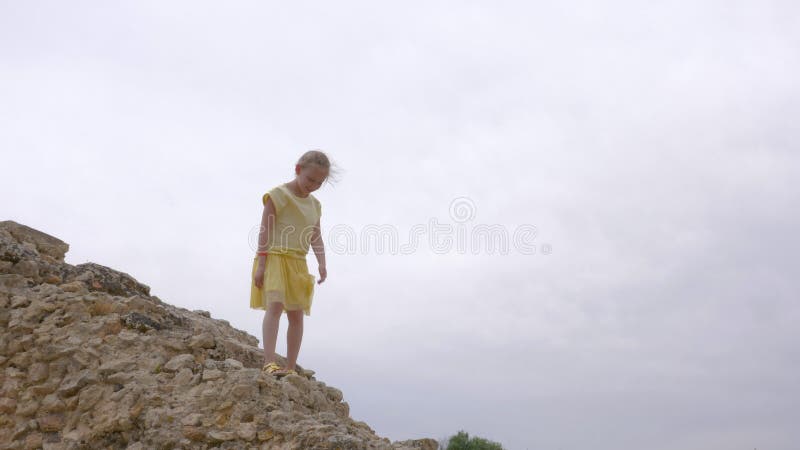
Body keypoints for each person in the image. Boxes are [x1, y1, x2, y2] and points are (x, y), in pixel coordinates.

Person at [250, 150, 336, 378]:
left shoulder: (315, 205)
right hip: (274, 257)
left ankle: (290, 367)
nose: (313, 185)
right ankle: (269, 362)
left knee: (296, 315)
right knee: (275, 306)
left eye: (319, 182)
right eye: (310, 179)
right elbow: (265, 230)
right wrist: (261, 264)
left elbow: (315, 235)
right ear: (298, 170)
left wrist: (322, 262)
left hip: (298, 262)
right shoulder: (277, 195)